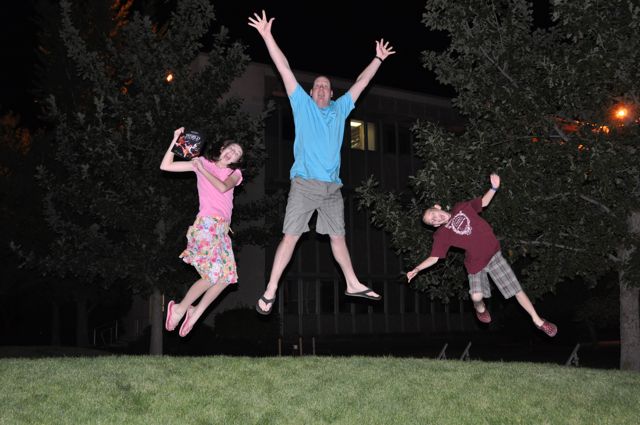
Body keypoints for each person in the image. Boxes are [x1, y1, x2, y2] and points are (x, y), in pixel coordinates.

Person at [248, 10, 395, 315]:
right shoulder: (302, 105)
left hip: (331, 189)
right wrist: (267, 35)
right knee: (291, 236)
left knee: (338, 238)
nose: (322, 88)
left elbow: (362, 82)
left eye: (326, 85)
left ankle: (352, 282)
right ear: (311, 92)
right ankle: (271, 289)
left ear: (331, 93)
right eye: (317, 85)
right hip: (304, 184)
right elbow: (284, 67)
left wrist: (378, 59)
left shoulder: (340, 109)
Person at [407, 173, 558, 337]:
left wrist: (494, 188)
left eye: (434, 214)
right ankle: (480, 309)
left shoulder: (461, 207)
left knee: (516, 290)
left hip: (493, 256)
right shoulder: (441, 235)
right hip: (475, 263)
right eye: (433, 221)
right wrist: (417, 269)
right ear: (435, 226)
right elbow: (434, 257)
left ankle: (538, 321)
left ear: (437, 207)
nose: (436, 218)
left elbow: (483, 202)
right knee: (476, 296)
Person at [160, 127, 244, 337]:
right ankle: (179, 309)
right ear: (223, 148)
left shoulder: (235, 174)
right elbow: (166, 166)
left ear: (236, 161)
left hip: (222, 231)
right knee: (213, 275)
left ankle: (195, 311)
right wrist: (175, 140)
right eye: (231, 149)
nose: (232, 153)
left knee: (227, 277)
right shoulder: (203, 163)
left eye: (237, 154)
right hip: (206, 226)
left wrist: (201, 169)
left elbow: (223, 187)